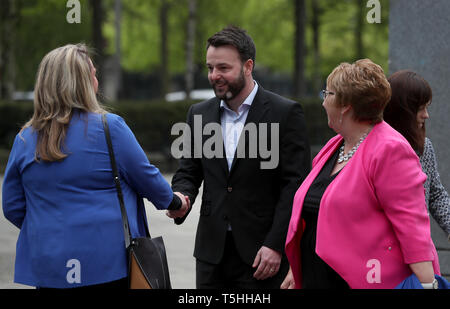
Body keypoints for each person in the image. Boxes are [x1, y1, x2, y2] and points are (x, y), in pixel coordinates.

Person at [1, 44, 188, 289]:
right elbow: (147, 178)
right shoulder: (110, 128)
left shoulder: (25, 139)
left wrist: (47, 227)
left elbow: (12, 205)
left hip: (51, 266)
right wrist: (175, 203)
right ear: (82, 82)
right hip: (108, 263)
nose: (96, 79)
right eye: (93, 74)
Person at [167, 26, 311, 288]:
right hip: (211, 255)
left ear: (248, 66)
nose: (214, 76)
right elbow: (189, 171)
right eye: (210, 68)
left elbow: (295, 187)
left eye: (223, 68)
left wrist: (276, 245)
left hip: (262, 257)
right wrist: (181, 196)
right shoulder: (198, 114)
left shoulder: (285, 113)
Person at [283, 59, 440, 289]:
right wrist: (295, 270)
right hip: (316, 277)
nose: (324, 102)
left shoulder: (390, 148)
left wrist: (428, 284)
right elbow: (313, 215)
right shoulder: (334, 145)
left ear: (345, 105)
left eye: (327, 94)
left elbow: (412, 225)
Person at [384, 70, 450, 240]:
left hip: (418, 245)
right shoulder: (375, 149)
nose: (426, 115)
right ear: (401, 110)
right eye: (420, 109)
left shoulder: (424, 147)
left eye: (426, 107)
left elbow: (435, 193)